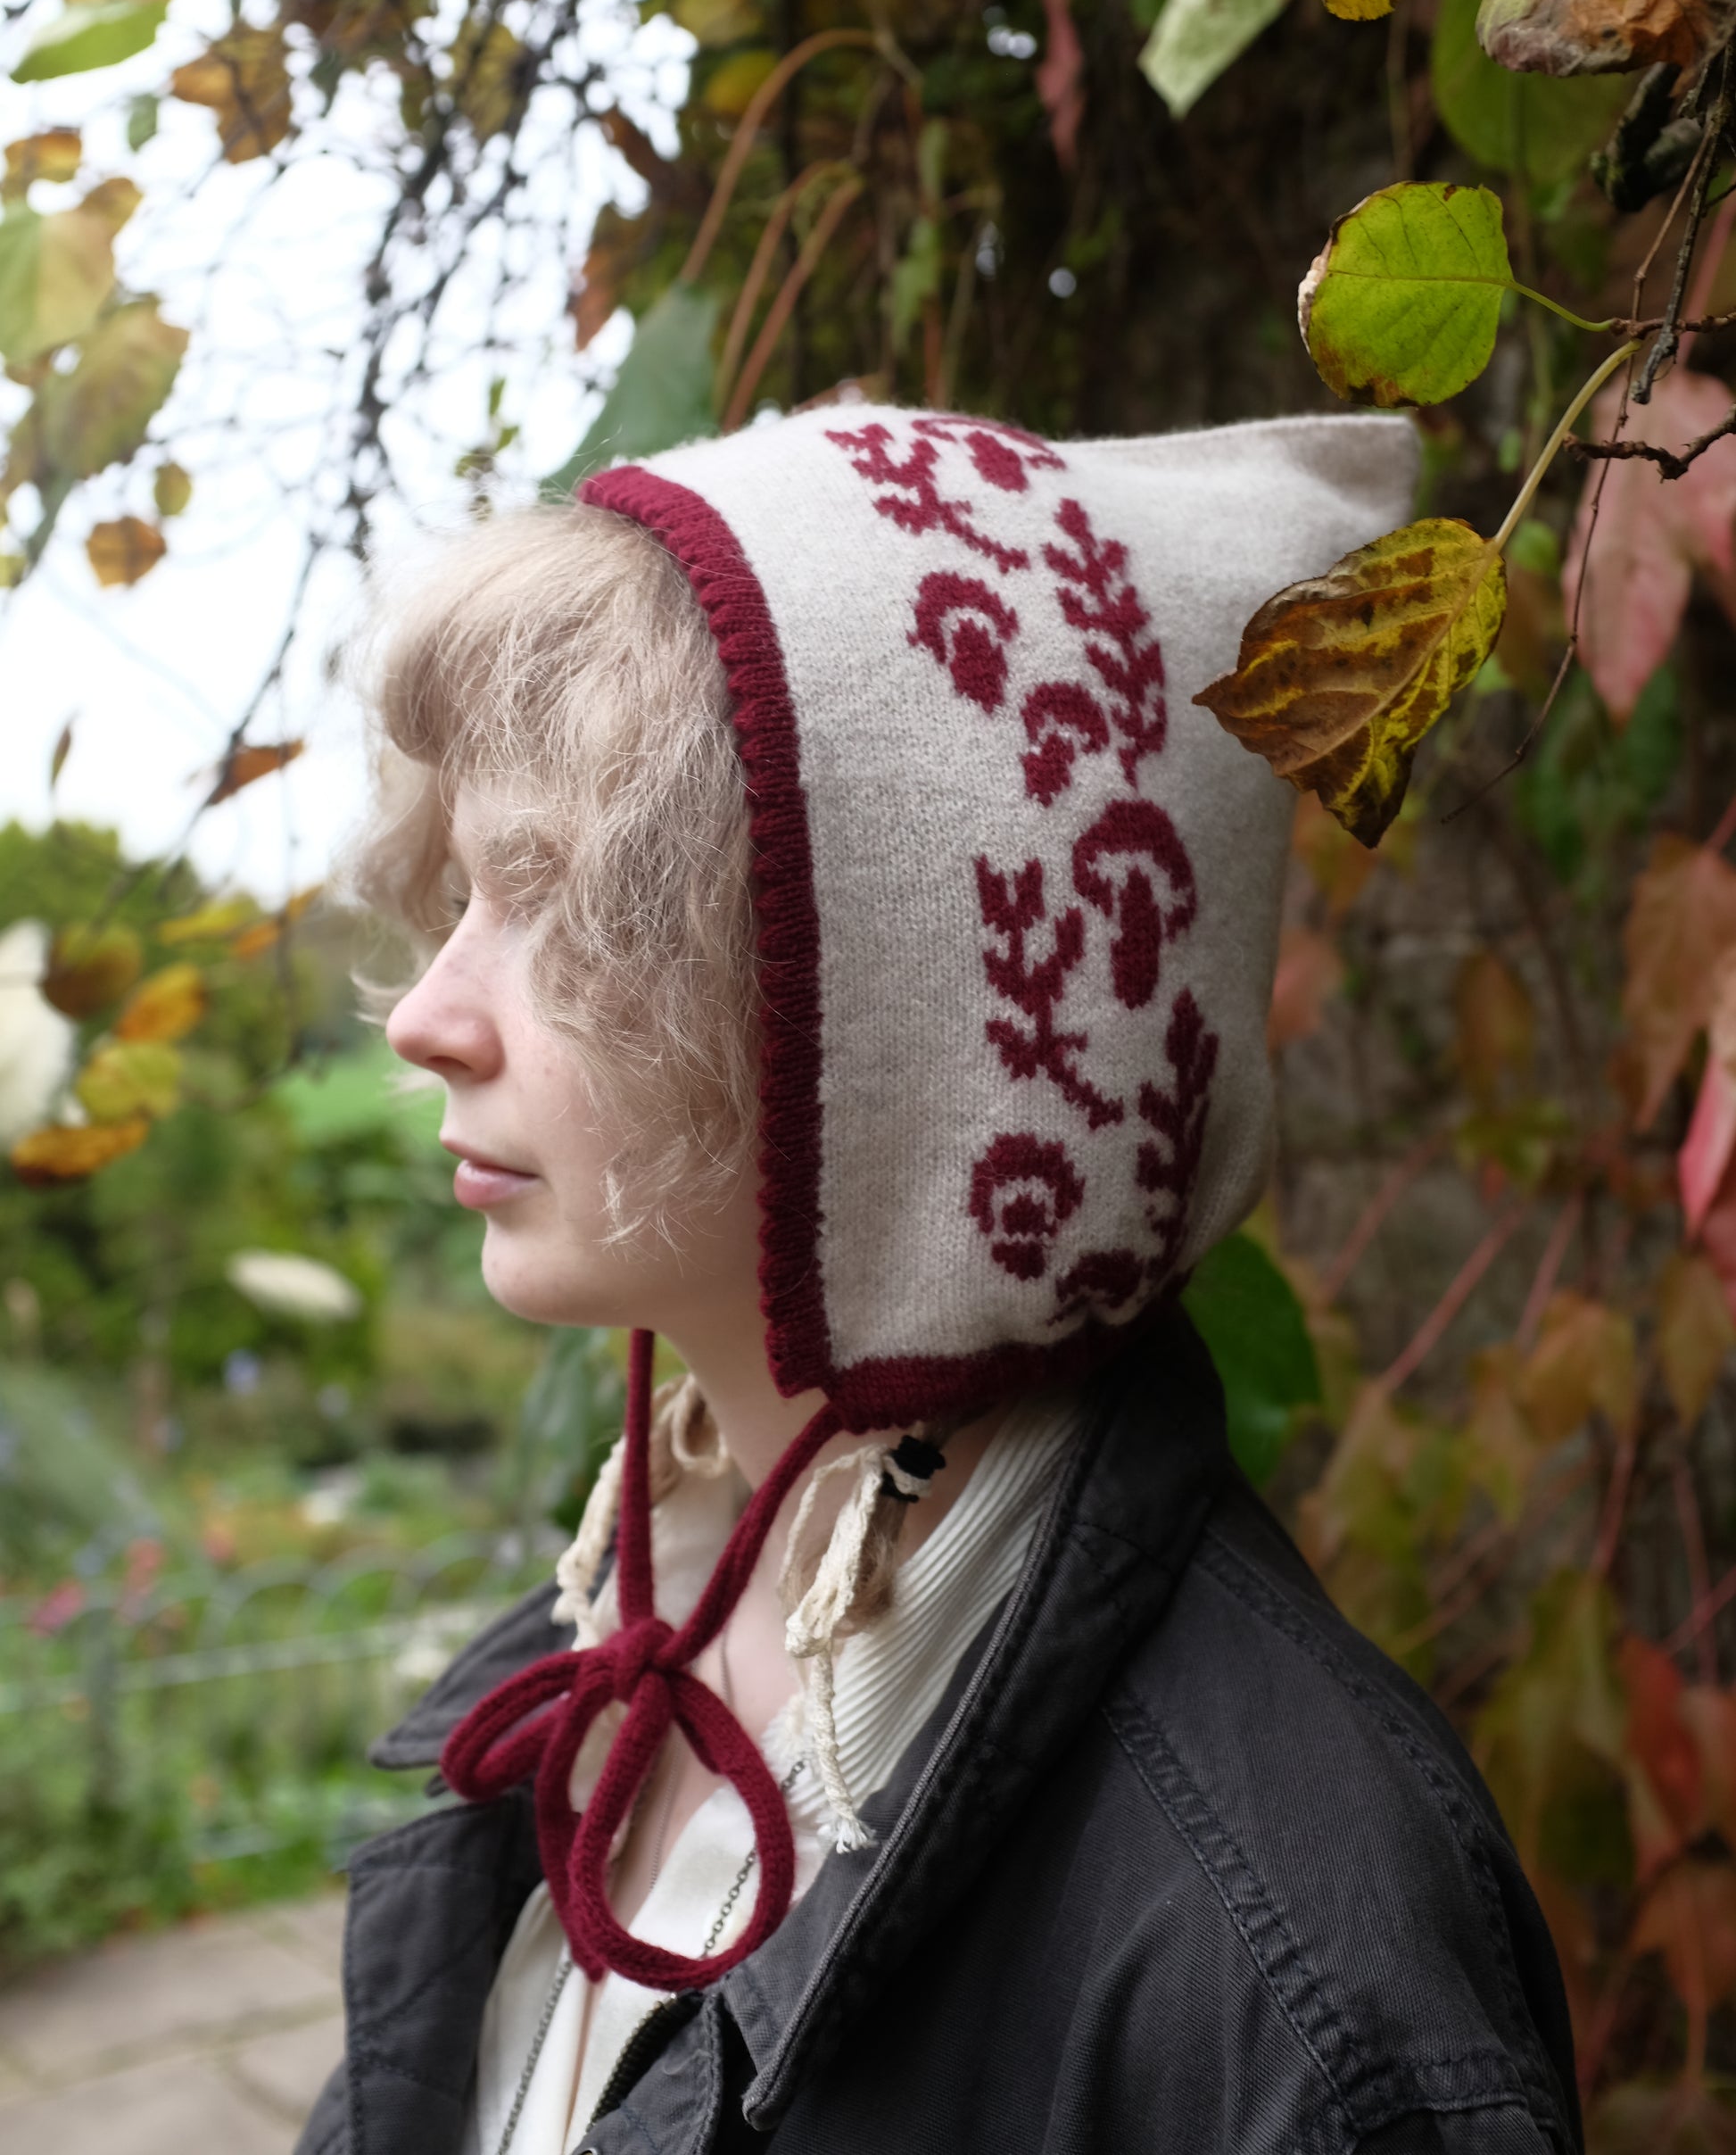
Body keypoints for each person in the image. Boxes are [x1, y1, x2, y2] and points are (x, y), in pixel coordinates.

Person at [298, 403, 1582, 2155]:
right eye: (461, 890)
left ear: (907, 1019)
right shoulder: (610, 1638)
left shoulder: (1281, 1968)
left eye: (558, 902)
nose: (433, 1016)